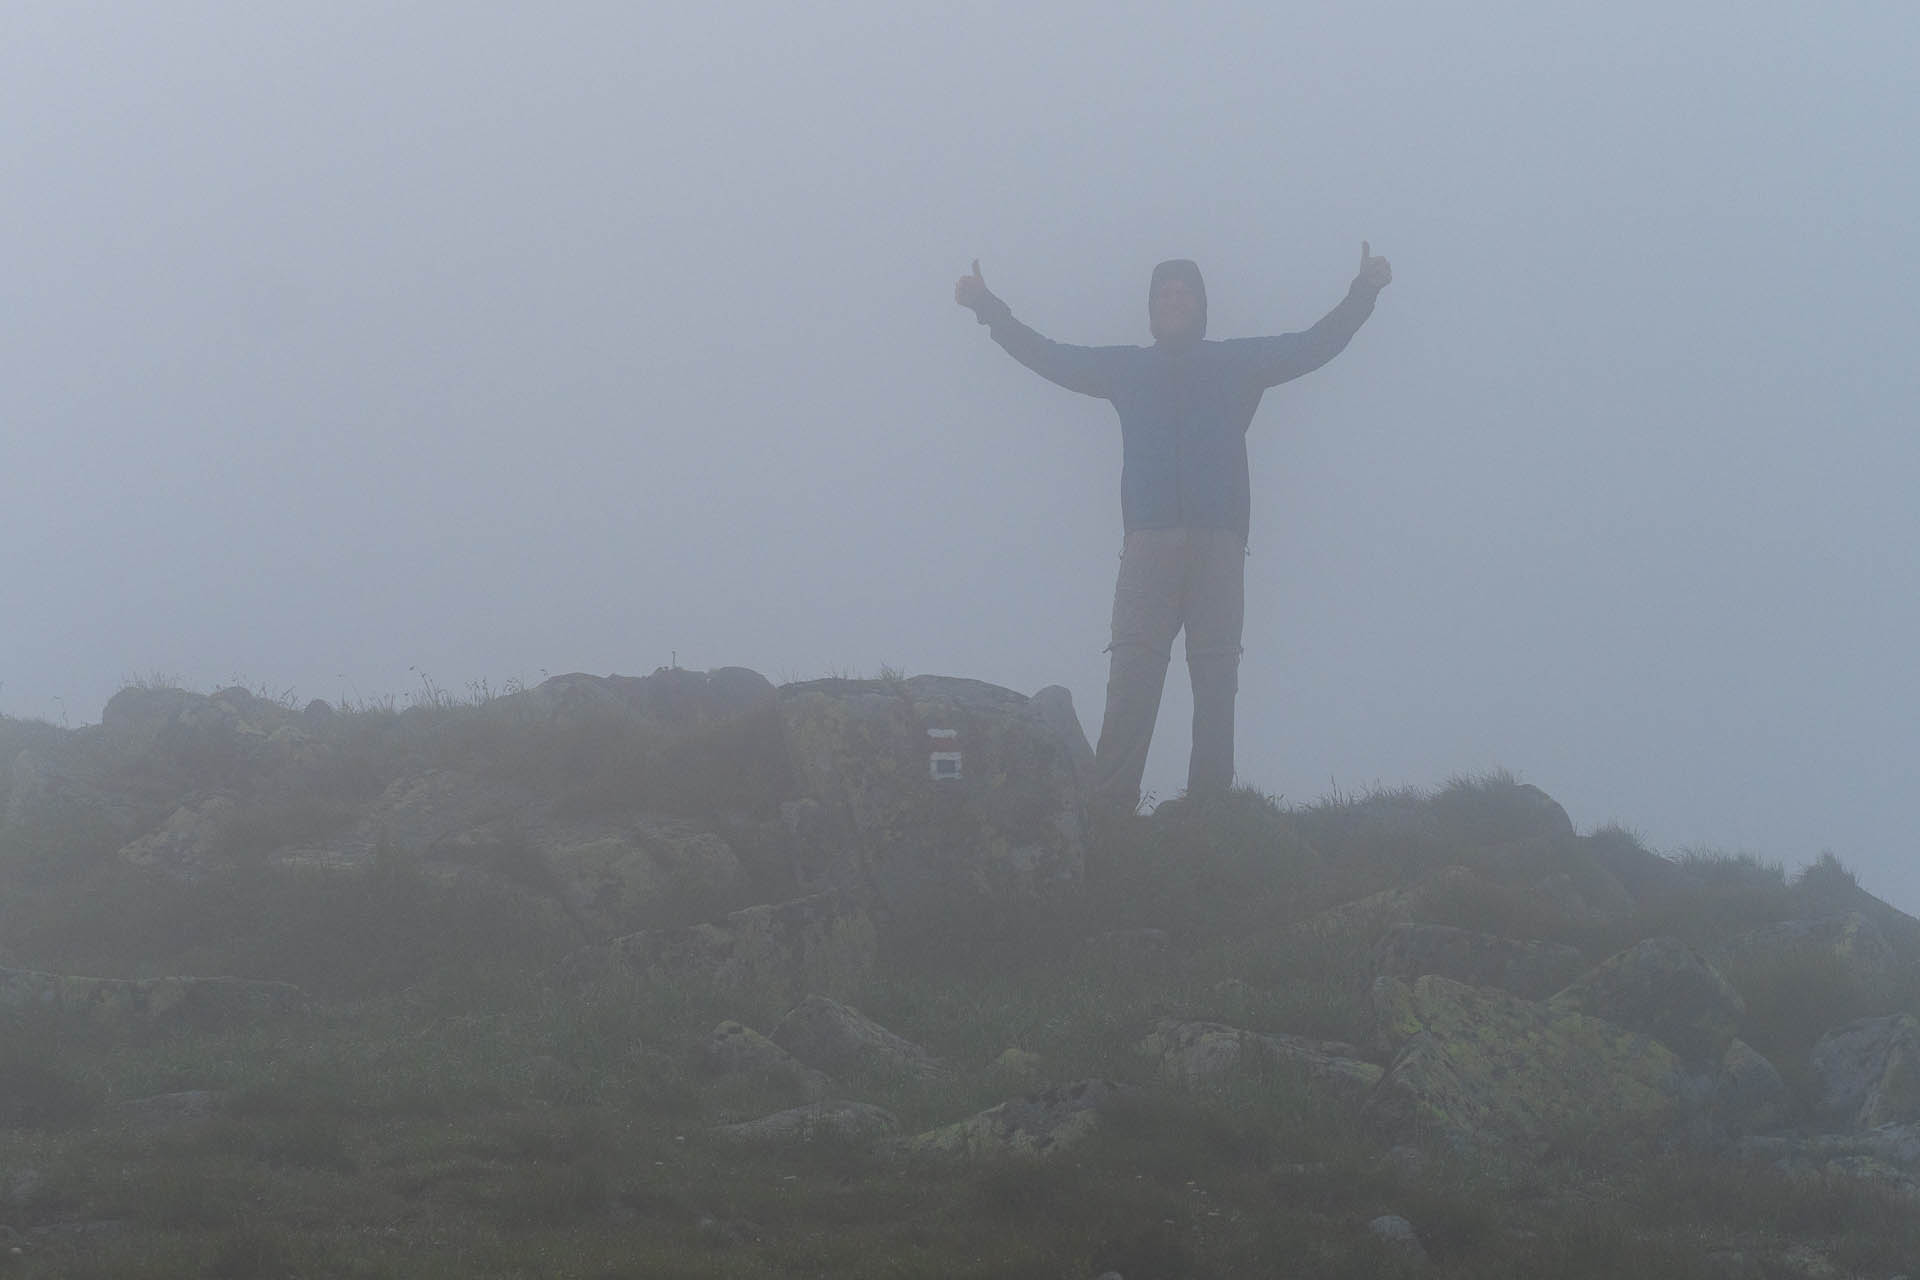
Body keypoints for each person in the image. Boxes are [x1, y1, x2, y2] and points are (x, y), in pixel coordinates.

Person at [955, 244, 1391, 814]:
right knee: (1133, 674)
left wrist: (1363, 293)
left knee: (1216, 680)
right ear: (1151, 310)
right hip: (1148, 540)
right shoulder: (1126, 368)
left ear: (1201, 307)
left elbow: (1313, 346)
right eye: (1164, 294)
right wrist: (989, 308)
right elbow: (1051, 357)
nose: (1174, 301)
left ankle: (1210, 812)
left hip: (1220, 539)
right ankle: (1111, 812)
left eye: (1185, 294)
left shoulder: (1238, 363)